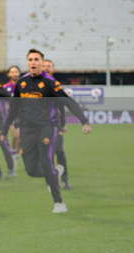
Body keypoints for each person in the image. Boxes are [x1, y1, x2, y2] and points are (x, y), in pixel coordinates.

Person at [3, 49, 91, 213]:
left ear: (42, 63)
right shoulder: (21, 83)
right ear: (27, 62)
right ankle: (55, 172)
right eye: (30, 59)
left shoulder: (50, 83)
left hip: (47, 128)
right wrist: (4, 128)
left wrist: (84, 121)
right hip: (27, 130)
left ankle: (59, 203)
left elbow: (68, 102)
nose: (33, 62)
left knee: (45, 160)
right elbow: (14, 107)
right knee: (30, 170)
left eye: (37, 59)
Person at [43, 59, 72, 190]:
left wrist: (63, 123)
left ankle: (64, 179)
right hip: (40, 125)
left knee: (59, 151)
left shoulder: (56, 85)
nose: (46, 68)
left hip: (56, 124)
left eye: (49, 66)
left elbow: (61, 105)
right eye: (44, 66)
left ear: (53, 70)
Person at [3, 65, 21, 166]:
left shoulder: (24, 86)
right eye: (12, 72)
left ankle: (16, 155)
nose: (14, 74)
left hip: (23, 114)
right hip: (11, 115)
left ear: (19, 73)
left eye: (16, 72)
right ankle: (13, 153)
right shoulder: (5, 88)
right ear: (9, 74)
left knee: (20, 138)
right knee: (15, 135)